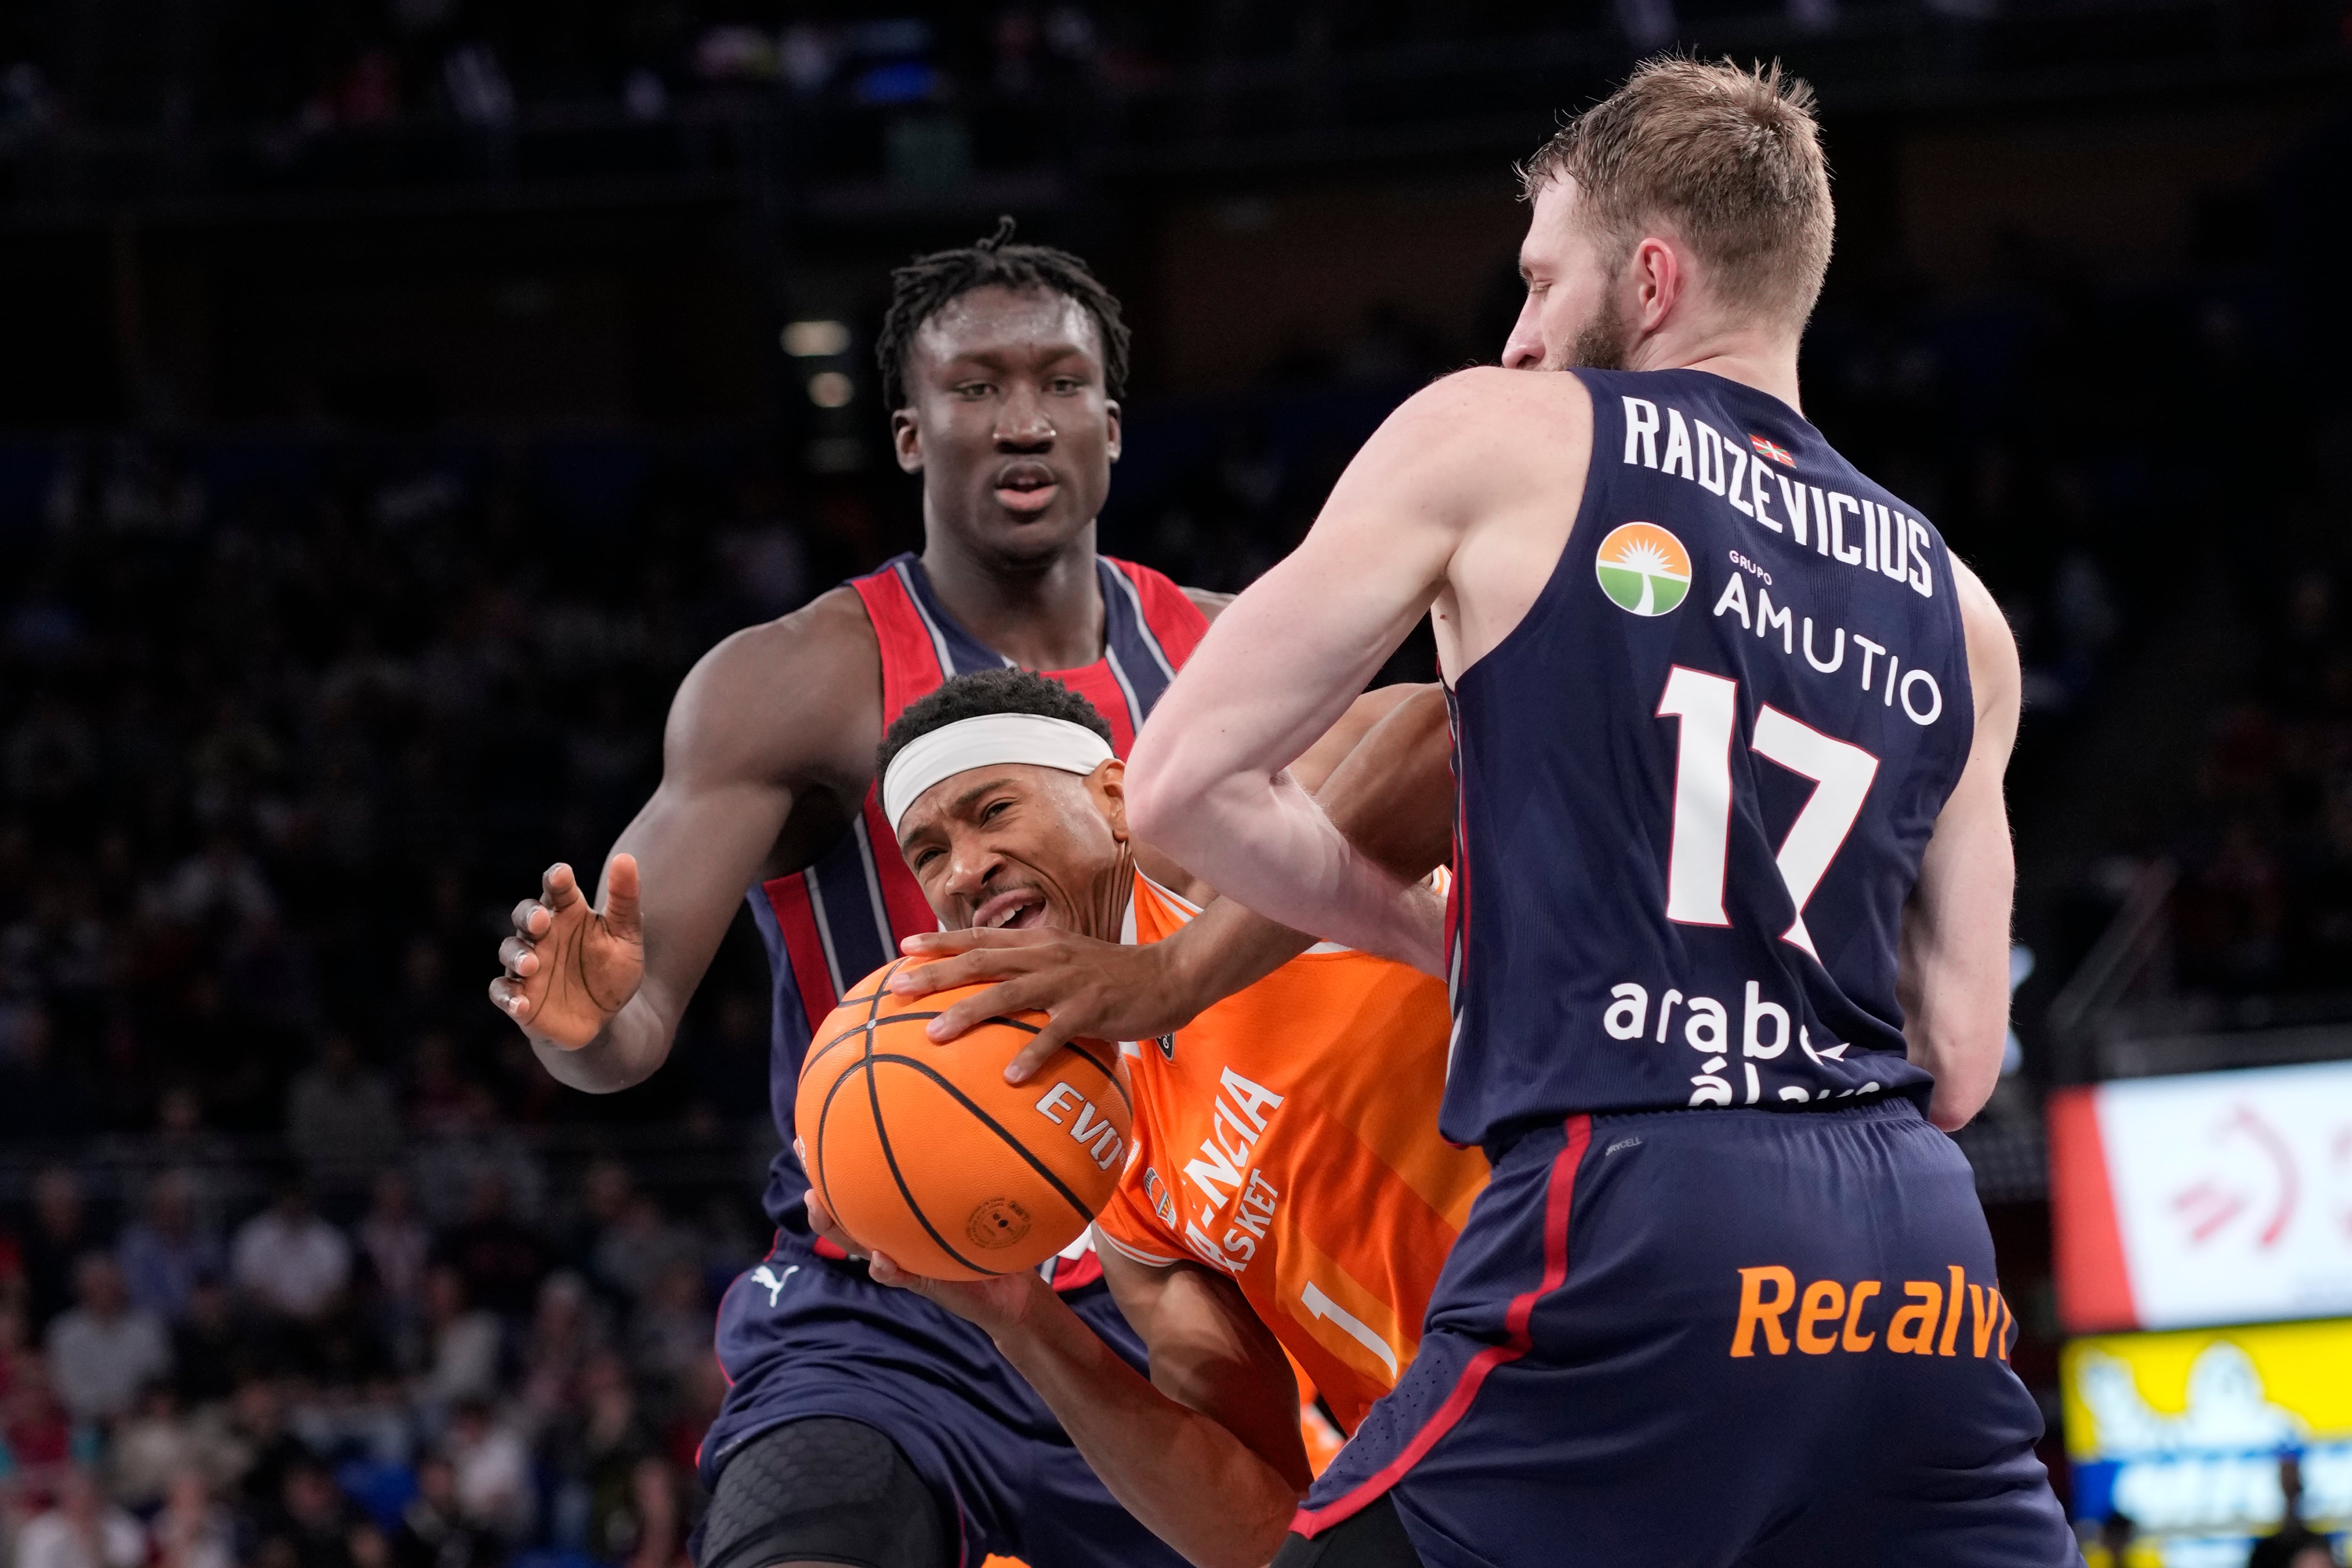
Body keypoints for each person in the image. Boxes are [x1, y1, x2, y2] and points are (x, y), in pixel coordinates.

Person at [1121, 57, 2074, 1568]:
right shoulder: (1959, 606)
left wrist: (1411, 927)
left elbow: (1176, 783)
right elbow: (1958, 1059)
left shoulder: (1505, 435)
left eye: (1540, 280)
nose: (1519, 333)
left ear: (1650, 274)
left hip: (1645, 1206)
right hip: (1919, 1260)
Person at [489, 222, 1402, 1568]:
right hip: (893, 1298)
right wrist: (583, 1026)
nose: (1021, 421)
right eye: (975, 389)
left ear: (1111, 421)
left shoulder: (1241, 650)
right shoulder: (793, 679)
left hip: (1180, 1293)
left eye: (1058, 384)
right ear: (911, 434)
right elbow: (629, 1033)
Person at [807, 669, 1474, 1568]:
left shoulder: (1221, 834)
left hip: (1630, 1268)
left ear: (1116, 796)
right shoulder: (1100, 1157)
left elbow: (1457, 725)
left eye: (994, 810)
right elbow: (1257, 1531)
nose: (964, 869)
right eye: (928, 853)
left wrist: (1183, 971)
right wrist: (1020, 1318)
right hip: (1479, 1459)